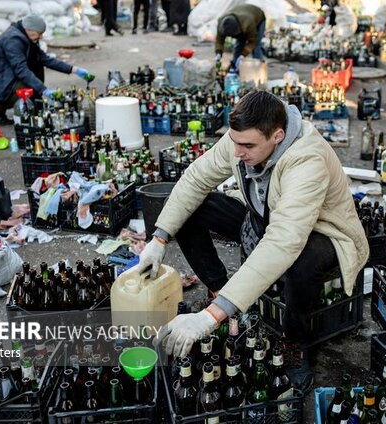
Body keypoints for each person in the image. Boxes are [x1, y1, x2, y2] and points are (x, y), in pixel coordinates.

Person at [138, 91, 369, 390]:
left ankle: (295, 343)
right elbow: (196, 178)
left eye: (247, 146)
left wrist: (208, 318)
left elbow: (283, 241)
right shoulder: (243, 138)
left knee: (301, 263)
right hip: (265, 216)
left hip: (321, 234)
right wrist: (159, 238)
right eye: (235, 142)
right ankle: (222, 292)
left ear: (278, 136)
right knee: (190, 210)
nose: (237, 153)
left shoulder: (307, 160)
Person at [0, 15, 91, 126]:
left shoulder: (27, 38)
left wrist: (73, 69)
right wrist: (43, 90)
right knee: (25, 91)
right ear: (29, 30)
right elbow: (21, 70)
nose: (41, 37)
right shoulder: (13, 40)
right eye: (39, 33)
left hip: (1, 78)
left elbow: (44, 59)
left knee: (36, 66)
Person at [215, 4, 266, 70]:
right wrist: (218, 53)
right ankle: (235, 67)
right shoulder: (221, 24)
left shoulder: (249, 23)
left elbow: (252, 41)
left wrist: (243, 55)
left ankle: (259, 68)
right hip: (242, 16)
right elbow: (219, 40)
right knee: (239, 44)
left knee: (256, 46)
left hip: (258, 17)